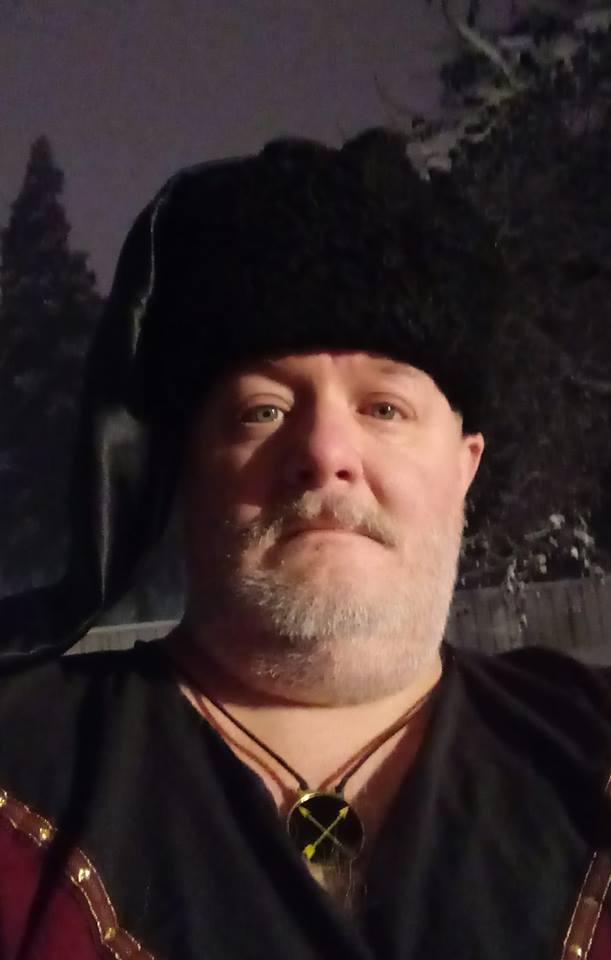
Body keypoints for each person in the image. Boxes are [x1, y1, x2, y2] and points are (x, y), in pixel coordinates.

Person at [0, 129, 608, 960]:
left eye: (384, 408)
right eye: (263, 410)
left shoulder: (590, 750)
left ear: (464, 465)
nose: (324, 451)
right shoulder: (21, 770)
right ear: (184, 470)